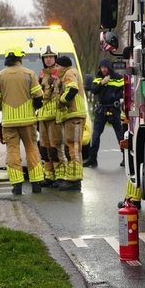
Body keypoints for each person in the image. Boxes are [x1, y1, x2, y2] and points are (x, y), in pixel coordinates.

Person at [0, 46, 45, 195]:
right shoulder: (29, 74)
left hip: (9, 122)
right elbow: (39, 96)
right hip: (28, 121)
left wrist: (2, 108)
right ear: (20, 59)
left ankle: (17, 185)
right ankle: (36, 184)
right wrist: (34, 107)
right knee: (32, 149)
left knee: (13, 152)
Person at [54, 54, 87, 191]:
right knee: (70, 147)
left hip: (74, 115)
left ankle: (74, 180)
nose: (55, 68)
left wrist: (62, 100)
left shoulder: (69, 73)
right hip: (71, 116)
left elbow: (72, 88)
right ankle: (72, 177)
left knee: (73, 147)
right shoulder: (66, 74)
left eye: (57, 65)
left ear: (63, 66)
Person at [84, 58, 125, 168]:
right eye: (101, 67)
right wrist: (102, 83)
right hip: (101, 110)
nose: (103, 69)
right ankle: (92, 159)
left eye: (105, 67)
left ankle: (126, 159)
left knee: (120, 135)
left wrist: (115, 96)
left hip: (114, 109)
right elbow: (93, 90)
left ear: (109, 67)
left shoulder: (118, 78)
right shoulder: (98, 78)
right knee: (95, 135)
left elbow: (125, 90)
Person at [37, 46, 64, 190]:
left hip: (54, 116)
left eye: (51, 57)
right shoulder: (41, 76)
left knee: (55, 146)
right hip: (42, 116)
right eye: (46, 57)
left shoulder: (59, 75)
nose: (48, 59)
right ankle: (49, 175)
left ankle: (59, 175)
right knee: (44, 148)